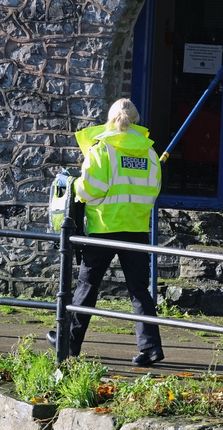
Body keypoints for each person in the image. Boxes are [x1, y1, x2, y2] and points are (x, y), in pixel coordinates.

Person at [46, 98, 165, 367]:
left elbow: (89, 190)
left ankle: (69, 343)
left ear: (110, 119)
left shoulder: (103, 149)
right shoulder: (149, 152)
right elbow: (154, 189)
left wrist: (72, 185)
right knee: (139, 291)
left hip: (103, 227)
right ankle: (151, 348)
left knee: (87, 288)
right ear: (136, 120)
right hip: (136, 228)